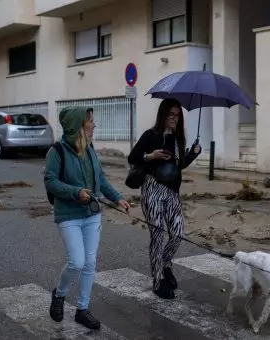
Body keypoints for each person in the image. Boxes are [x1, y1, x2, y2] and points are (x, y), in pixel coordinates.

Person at [44, 106, 131, 329]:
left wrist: (117, 197)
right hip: (69, 215)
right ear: (78, 127)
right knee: (77, 261)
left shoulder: (89, 149)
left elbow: (100, 179)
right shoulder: (57, 151)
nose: (94, 125)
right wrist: (76, 192)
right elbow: (50, 182)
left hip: (92, 213)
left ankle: (83, 309)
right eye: (90, 121)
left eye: (92, 121)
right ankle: (60, 294)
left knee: (90, 263)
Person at [127, 98, 201, 299]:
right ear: (163, 115)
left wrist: (193, 154)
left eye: (177, 115)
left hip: (171, 191)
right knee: (158, 235)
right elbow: (132, 157)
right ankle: (158, 279)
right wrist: (151, 156)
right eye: (171, 114)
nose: (175, 119)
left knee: (177, 232)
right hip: (152, 188)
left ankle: (166, 263)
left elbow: (178, 165)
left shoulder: (177, 139)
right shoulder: (151, 135)